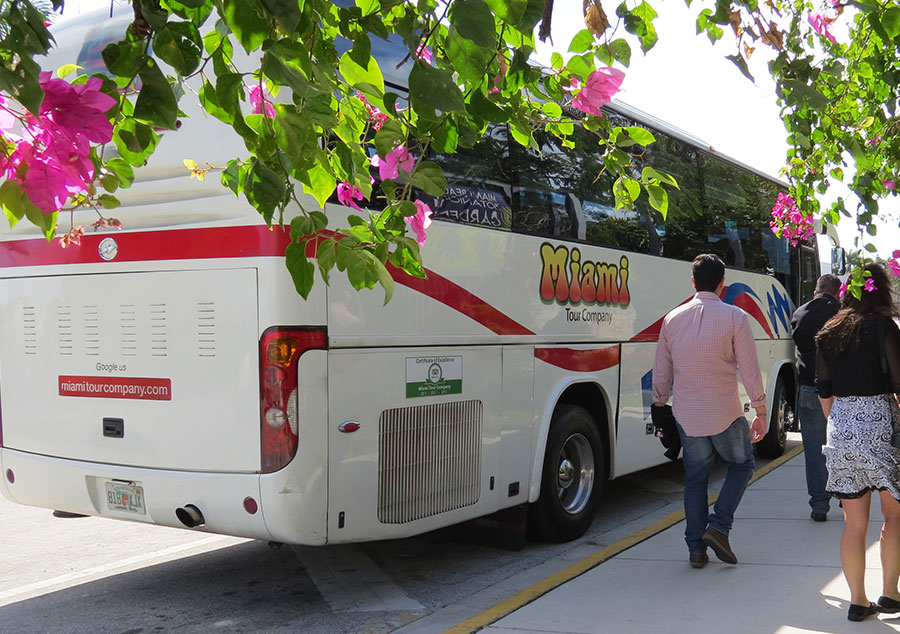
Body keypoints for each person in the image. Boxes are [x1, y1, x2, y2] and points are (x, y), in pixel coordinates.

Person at [652, 253, 767, 569]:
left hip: (687, 416)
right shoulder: (735, 317)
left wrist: (660, 404)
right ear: (722, 285)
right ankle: (718, 526)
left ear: (692, 282)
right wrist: (761, 410)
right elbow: (750, 368)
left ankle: (696, 550)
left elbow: (661, 368)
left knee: (695, 478)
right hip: (726, 413)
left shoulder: (672, 319)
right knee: (741, 465)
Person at [815, 263, 900, 622]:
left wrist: (838, 423)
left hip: (841, 424)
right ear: (880, 290)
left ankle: (857, 600)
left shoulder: (829, 331)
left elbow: (824, 389)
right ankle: (890, 594)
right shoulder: (884, 327)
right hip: (881, 423)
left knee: (853, 523)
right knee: (894, 515)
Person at [791, 274, 841, 521]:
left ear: (816, 291)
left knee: (814, 449)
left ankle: (819, 505)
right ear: (837, 293)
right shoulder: (844, 313)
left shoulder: (800, 312)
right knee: (842, 445)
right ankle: (846, 495)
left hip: (810, 387)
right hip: (842, 390)